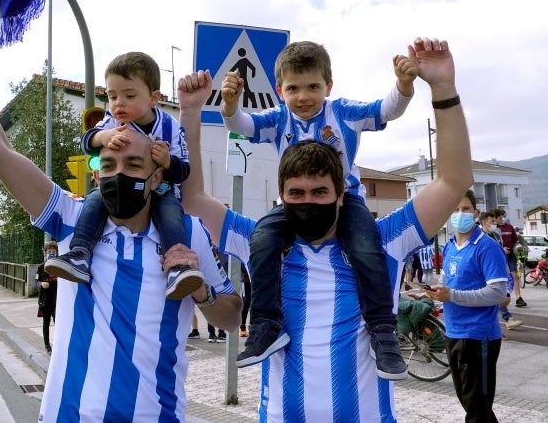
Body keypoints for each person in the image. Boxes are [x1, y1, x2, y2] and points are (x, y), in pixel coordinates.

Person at [0, 5, 242, 421]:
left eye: (134, 166)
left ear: (157, 177)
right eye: (108, 166)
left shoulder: (187, 237)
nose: (117, 174)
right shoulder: (70, 217)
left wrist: (201, 291)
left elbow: (231, 317)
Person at [180, 37, 474, 421]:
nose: (308, 202)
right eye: (296, 193)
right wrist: (190, 111)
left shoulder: (384, 241)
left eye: (320, 191)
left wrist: (443, 89)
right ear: (281, 197)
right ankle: (265, 328)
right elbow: (193, 198)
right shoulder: (260, 241)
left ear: (341, 195)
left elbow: (454, 181)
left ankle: (386, 335)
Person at [220, 40, 416, 377]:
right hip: (292, 205)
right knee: (262, 240)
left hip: (345, 201)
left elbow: (386, 110)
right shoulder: (278, 118)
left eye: (313, 86)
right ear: (280, 90)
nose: (303, 96)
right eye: (293, 88)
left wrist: (403, 85)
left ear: (328, 85)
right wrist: (229, 105)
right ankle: (266, 325)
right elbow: (242, 127)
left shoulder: (343, 112)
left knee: (368, 248)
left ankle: (383, 331)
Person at [44, 51, 204, 300]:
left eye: (129, 96)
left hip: (159, 190)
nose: (118, 103)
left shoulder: (171, 127)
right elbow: (86, 142)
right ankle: (80, 254)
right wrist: (102, 137)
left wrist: (167, 161)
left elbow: (184, 170)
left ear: (154, 98)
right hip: (119, 190)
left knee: (171, 213)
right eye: (112, 96)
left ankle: (177, 265)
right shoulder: (110, 121)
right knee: (94, 200)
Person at [424, 191, 508, 422]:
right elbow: (446, 280)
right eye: (455, 209)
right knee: (469, 401)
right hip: (452, 331)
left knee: (476, 406)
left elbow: (498, 292)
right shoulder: (450, 246)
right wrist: (436, 293)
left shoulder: (486, 247)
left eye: (465, 209)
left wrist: (452, 295)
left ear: (476, 213)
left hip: (478, 335)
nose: (460, 214)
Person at [479, 212, 522, 332]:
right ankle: (504, 320)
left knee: (504, 298)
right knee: (501, 298)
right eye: (491, 221)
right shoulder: (479, 236)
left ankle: (495, 321)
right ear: (483, 222)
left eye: (495, 221)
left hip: (500, 269)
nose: (494, 223)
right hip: (487, 273)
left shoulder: (496, 235)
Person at [494, 208, 526, 307]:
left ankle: (518, 298)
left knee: (514, 276)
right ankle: (501, 298)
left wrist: (518, 248)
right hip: (499, 256)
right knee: (500, 278)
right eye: (501, 217)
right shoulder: (494, 229)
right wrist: (501, 249)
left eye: (504, 216)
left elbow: (515, 240)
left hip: (511, 255)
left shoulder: (510, 227)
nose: (504, 219)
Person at [37, 241, 59, 354]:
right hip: (45, 300)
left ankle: (59, 344)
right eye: (49, 252)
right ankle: (47, 345)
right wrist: (41, 283)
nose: (51, 253)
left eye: (53, 252)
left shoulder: (59, 267)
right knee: (46, 322)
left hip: (57, 300)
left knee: (58, 322)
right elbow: (36, 282)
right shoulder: (41, 268)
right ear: (45, 253)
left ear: (57, 253)